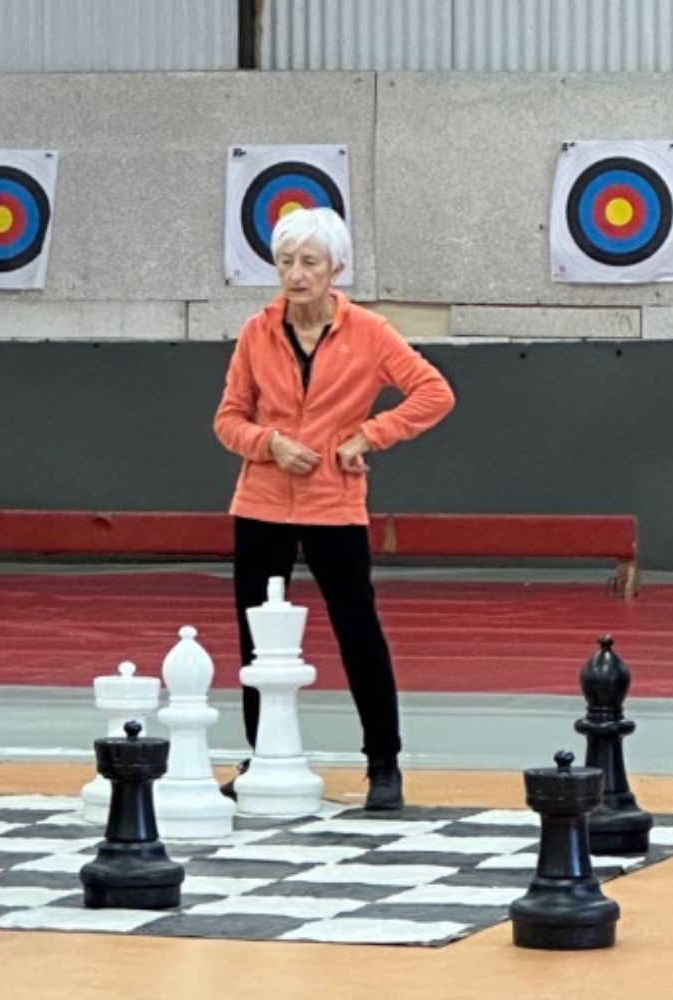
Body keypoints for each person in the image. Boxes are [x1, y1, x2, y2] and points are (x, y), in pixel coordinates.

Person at [212, 207, 455, 810]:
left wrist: (369, 435)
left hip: (334, 506)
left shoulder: (369, 332)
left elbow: (435, 392)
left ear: (335, 269)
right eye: (285, 262)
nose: (295, 274)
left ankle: (384, 763)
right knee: (257, 638)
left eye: (309, 262)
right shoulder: (256, 332)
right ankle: (263, 756)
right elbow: (228, 419)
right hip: (261, 504)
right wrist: (268, 443)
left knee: (358, 631)